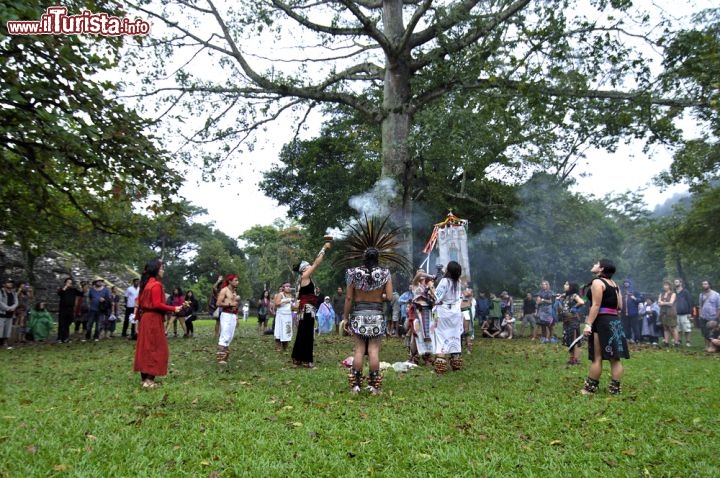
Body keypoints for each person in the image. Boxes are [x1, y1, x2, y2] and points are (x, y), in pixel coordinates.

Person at [337, 215, 407, 394]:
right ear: (378, 258)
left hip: (358, 314)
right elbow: (390, 297)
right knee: (374, 350)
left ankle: (355, 386)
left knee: (359, 350)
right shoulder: (385, 273)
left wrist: (345, 318)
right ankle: (374, 387)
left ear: (363, 257)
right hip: (377, 315)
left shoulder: (352, 273)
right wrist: (380, 296)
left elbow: (348, 299)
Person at [133, 259, 183, 388]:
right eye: (162, 268)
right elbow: (156, 304)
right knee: (157, 348)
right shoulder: (156, 285)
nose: (163, 270)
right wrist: (174, 308)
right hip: (153, 319)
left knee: (145, 347)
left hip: (145, 318)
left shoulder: (145, 284)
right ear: (155, 270)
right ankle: (149, 381)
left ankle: (144, 379)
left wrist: (138, 320)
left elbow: (139, 305)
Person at [581, 259, 628, 395]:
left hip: (602, 322)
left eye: (596, 263)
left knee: (597, 357)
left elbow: (596, 305)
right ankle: (615, 389)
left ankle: (589, 389)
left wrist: (588, 324)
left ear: (601, 269)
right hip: (614, 321)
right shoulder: (614, 284)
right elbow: (619, 306)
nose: (594, 265)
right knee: (615, 358)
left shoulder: (597, 282)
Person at [290, 238, 332, 368]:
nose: (310, 267)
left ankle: (298, 358)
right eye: (308, 266)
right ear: (304, 269)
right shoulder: (304, 276)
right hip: (307, 310)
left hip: (307, 309)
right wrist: (324, 248)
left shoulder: (306, 279)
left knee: (304, 333)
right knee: (307, 334)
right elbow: (317, 263)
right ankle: (306, 360)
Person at [432, 261, 464, 374]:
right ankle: (456, 363)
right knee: (454, 336)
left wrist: (431, 288)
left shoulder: (444, 281)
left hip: (444, 311)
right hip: (455, 312)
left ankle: (440, 366)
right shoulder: (458, 282)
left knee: (441, 337)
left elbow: (436, 298)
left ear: (449, 270)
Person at [407, 271, 436, 365]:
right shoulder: (415, 284)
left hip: (428, 312)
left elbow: (435, 297)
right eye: (420, 273)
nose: (421, 274)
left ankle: (427, 357)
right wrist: (430, 275)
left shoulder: (427, 286)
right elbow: (419, 275)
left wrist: (431, 286)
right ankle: (413, 357)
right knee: (416, 334)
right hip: (418, 312)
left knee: (429, 335)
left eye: (423, 272)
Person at [216, 274, 240, 365]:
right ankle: (221, 359)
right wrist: (230, 305)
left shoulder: (234, 291)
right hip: (226, 315)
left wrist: (237, 317)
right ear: (230, 281)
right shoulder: (224, 290)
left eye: (237, 280)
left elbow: (235, 304)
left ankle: (225, 357)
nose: (237, 282)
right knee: (224, 335)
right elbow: (218, 303)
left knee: (230, 336)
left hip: (233, 316)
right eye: (235, 280)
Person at [559, 282, 585, 365]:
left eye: (566, 284)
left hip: (573, 320)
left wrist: (574, 308)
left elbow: (581, 302)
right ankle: (571, 358)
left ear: (571, 287)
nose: (564, 285)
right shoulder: (567, 296)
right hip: (566, 320)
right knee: (569, 339)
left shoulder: (574, 295)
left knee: (575, 340)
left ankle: (575, 360)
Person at [85, 278, 111, 342]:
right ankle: (87, 336)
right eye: (98, 281)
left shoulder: (106, 290)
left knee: (99, 324)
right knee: (89, 323)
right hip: (92, 309)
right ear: (95, 282)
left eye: (101, 281)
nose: (100, 282)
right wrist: (89, 306)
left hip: (101, 310)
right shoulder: (91, 290)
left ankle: (96, 337)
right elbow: (90, 298)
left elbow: (109, 300)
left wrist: (104, 300)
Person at [56, 277, 81, 343]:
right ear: (65, 283)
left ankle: (66, 338)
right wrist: (65, 287)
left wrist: (79, 286)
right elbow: (60, 293)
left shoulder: (73, 290)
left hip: (70, 309)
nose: (70, 284)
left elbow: (81, 293)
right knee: (61, 324)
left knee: (67, 324)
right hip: (63, 309)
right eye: (68, 282)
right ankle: (59, 338)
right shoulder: (62, 289)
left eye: (70, 283)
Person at [698, 280, 720, 351]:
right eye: (703, 284)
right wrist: (700, 315)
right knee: (705, 331)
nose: (704, 285)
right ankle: (706, 346)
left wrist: (717, 317)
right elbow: (700, 306)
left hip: (713, 316)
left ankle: (713, 346)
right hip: (703, 316)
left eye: (705, 284)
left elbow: (718, 307)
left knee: (712, 331)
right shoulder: (701, 295)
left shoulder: (716, 294)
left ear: (709, 285)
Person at [658, 280, 679, 348]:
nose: (665, 286)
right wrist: (662, 303)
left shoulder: (673, 294)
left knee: (673, 327)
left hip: (671, 312)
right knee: (665, 327)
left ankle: (676, 342)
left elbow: (671, 303)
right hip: (663, 312)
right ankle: (666, 342)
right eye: (664, 285)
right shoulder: (661, 294)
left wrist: (663, 303)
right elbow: (658, 303)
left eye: (666, 285)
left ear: (670, 286)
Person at [620, 279, 642, 343]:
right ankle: (627, 338)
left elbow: (641, 299)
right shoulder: (621, 291)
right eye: (624, 282)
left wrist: (634, 298)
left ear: (630, 283)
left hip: (633, 313)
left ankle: (637, 339)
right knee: (625, 326)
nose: (626, 283)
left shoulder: (635, 291)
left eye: (627, 282)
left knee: (635, 327)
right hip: (624, 313)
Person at [274, 283, 294, 351]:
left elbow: (292, 307)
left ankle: (285, 347)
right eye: (287, 286)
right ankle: (278, 347)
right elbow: (276, 303)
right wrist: (286, 300)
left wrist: (296, 305)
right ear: (283, 288)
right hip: (281, 315)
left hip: (288, 315)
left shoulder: (291, 295)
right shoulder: (280, 294)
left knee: (287, 331)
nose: (288, 287)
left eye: (289, 286)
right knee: (279, 331)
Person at [674, 278, 693, 347]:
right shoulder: (674, 292)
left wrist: (690, 312)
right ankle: (679, 340)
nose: (675, 283)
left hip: (685, 313)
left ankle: (688, 341)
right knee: (678, 328)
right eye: (675, 282)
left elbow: (690, 302)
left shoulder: (685, 292)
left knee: (686, 328)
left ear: (681, 283)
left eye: (676, 282)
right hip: (676, 313)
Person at [0, 278, 19, 349]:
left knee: (7, 329)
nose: (10, 284)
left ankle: (5, 343)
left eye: (11, 282)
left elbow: (16, 302)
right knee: (0, 328)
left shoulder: (13, 292)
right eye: (8, 282)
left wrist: (13, 307)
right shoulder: (1, 291)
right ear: (4, 284)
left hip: (10, 314)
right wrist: (8, 308)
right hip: (1, 313)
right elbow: (0, 302)